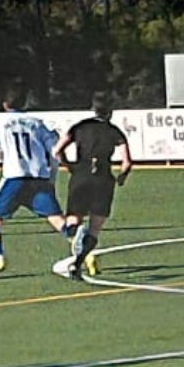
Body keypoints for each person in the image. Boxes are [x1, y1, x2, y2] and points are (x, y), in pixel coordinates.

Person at [0, 90, 72, 276]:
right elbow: (55, 153)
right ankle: (86, 253)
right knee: (57, 220)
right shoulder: (38, 124)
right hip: (39, 178)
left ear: (5, 105)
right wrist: (52, 178)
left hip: (14, 178)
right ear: (25, 104)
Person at [51, 93, 132, 279]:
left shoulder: (80, 127)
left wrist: (68, 165)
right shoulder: (114, 131)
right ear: (110, 111)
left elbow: (57, 150)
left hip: (81, 175)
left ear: (93, 108)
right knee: (95, 228)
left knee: (73, 220)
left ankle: (77, 233)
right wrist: (121, 177)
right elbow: (127, 162)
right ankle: (77, 265)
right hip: (103, 179)